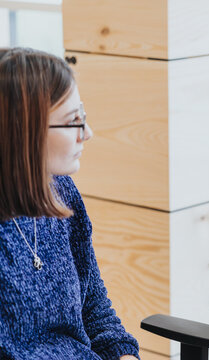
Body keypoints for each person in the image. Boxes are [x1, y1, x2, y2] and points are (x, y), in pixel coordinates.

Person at [0, 48, 140, 359]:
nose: (87, 134)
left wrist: (122, 354)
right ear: (22, 132)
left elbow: (94, 307)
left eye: (83, 116)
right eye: (72, 121)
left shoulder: (60, 191)